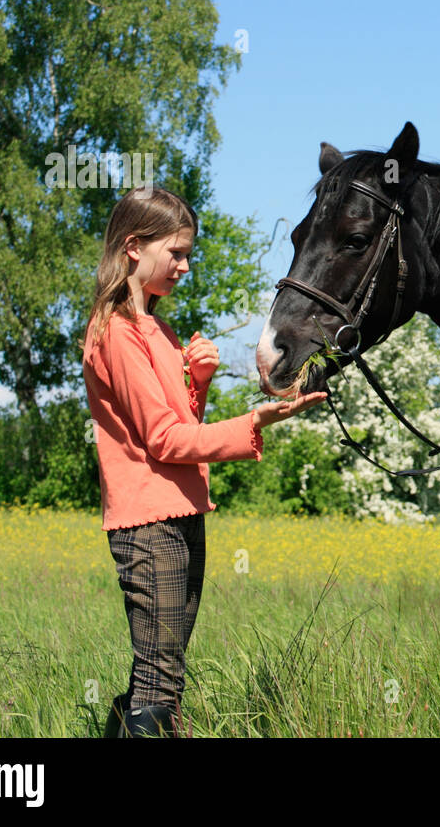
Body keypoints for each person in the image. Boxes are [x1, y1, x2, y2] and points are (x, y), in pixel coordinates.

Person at [80, 184, 327, 737]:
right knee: (158, 685)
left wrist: (199, 382)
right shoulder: (117, 334)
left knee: (160, 678)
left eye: (188, 253)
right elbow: (165, 442)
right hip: (149, 523)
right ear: (134, 247)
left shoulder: (159, 331)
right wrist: (253, 424)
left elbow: (177, 427)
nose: (186, 266)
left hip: (179, 512)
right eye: (177, 252)